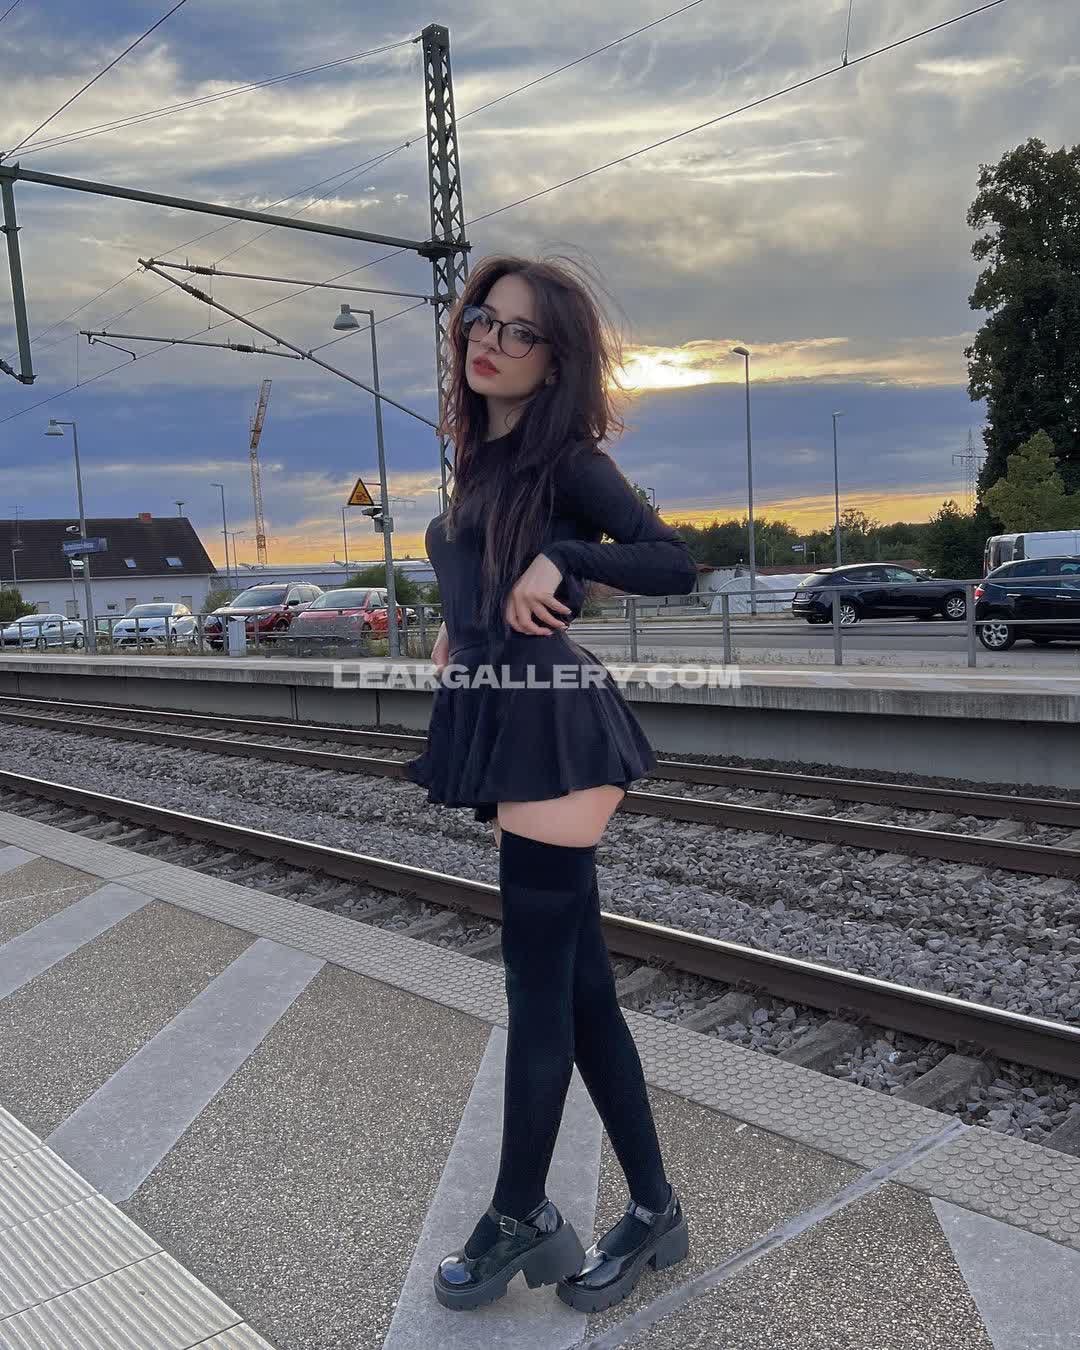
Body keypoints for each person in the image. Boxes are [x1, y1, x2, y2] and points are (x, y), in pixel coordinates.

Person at [403, 252, 696, 1314]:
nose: (491, 339)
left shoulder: (569, 460)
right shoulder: (485, 460)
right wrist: (461, 620)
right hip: (503, 711)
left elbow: (673, 561)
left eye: (519, 330)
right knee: (580, 991)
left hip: (555, 728)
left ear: (555, 357)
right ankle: (655, 1209)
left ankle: (519, 1211)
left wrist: (568, 556)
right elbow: (484, 568)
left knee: (536, 991)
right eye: (483, 318)